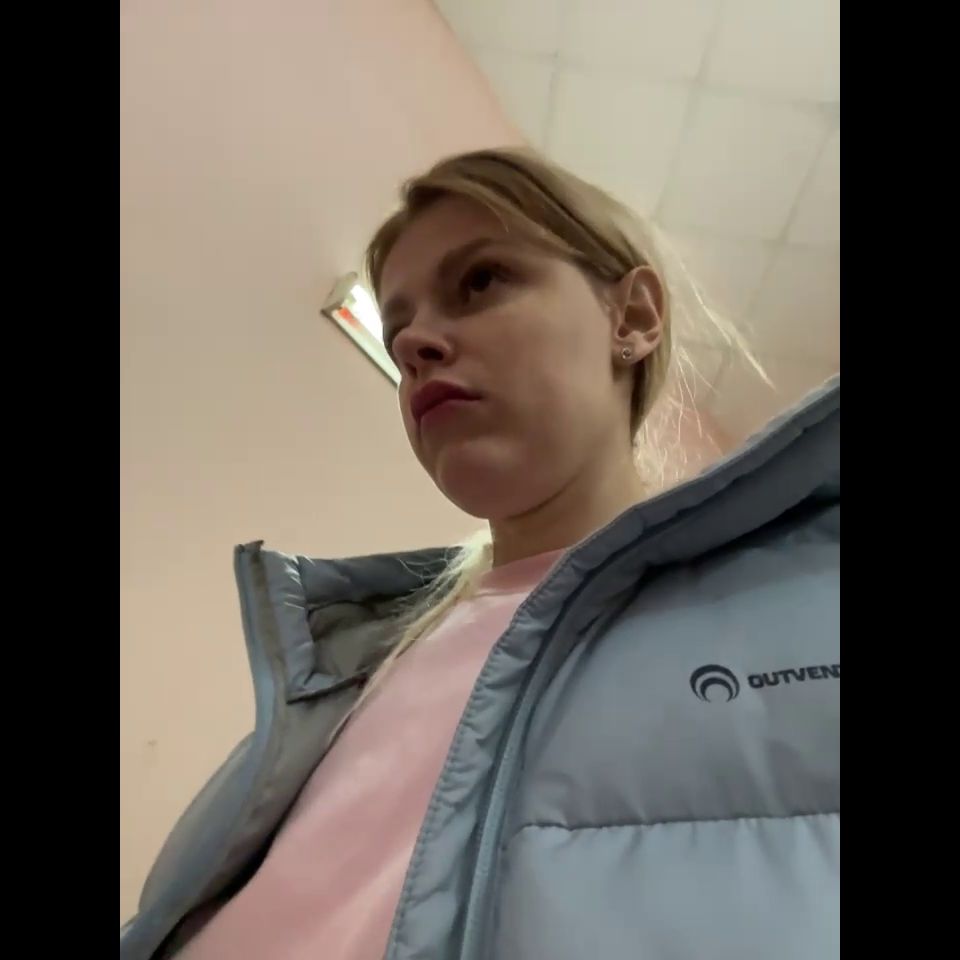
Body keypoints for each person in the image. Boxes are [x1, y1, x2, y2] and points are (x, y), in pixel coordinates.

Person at [120, 148, 840, 960]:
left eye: (481, 281)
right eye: (398, 332)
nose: (417, 343)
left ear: (633, 318)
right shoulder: (349, 660)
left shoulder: (802, 604)